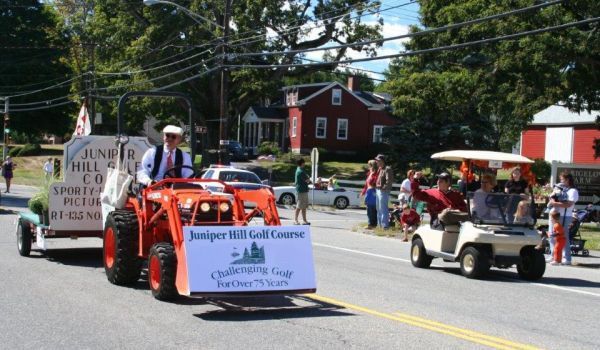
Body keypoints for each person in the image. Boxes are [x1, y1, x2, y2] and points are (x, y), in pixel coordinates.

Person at [547, 172, 578, 265]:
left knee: (563, 237)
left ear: (567, 180)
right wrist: (552, 200)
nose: (560, 181)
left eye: (562, 179)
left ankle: (567, 258)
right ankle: (554, 256)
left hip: (564, 216)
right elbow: (552, 198)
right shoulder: (559, 188)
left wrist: (555, 203)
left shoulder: (573, 191)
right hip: (553, 214)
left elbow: (569, 204)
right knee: (552, 236)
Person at [375, 154, 395, 229]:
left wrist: (383, 188)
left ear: (382, 161)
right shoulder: (380, 169)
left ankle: (385, 226)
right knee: (378, 208)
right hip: (378, 190)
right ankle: (379, 225)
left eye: (378, 160)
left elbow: (389, 181)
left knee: (383, 208)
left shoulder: (387, 169)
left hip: (383, 191)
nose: (376, 162)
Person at [293, 158, 311, 225]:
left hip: (302, 190)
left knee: (303, 207)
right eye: (304, 162)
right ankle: (295, 220)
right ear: (302, 163)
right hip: (301, 191)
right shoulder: (300, 171)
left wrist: (307, 178)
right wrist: (308, 178)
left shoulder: (299, 169)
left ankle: (304, 220)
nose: (305, 164)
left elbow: (307, 179)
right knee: (299, 206)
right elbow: (308, 180)